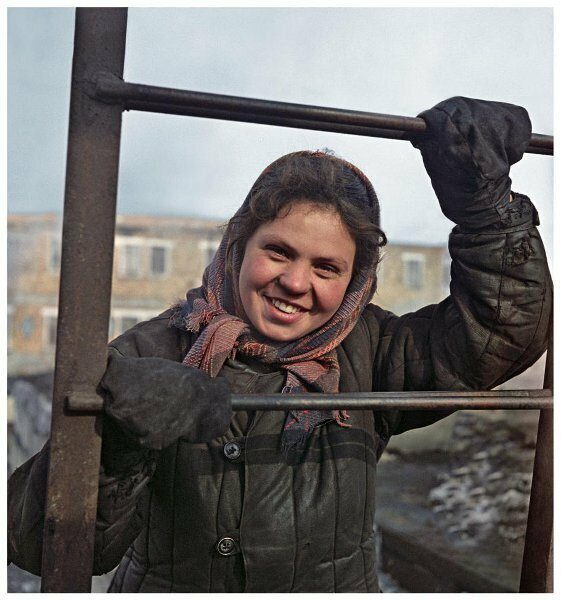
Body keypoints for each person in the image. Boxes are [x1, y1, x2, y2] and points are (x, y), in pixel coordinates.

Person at [8, 97, 552, 592]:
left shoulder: (374, 353)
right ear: (238, 246)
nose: (295, 282)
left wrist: (486, 211)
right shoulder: (148, 352)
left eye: (326, 267)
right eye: (278, 252)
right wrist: (120, 443)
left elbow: (501, 331)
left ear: (356, 281)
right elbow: (38, 544)